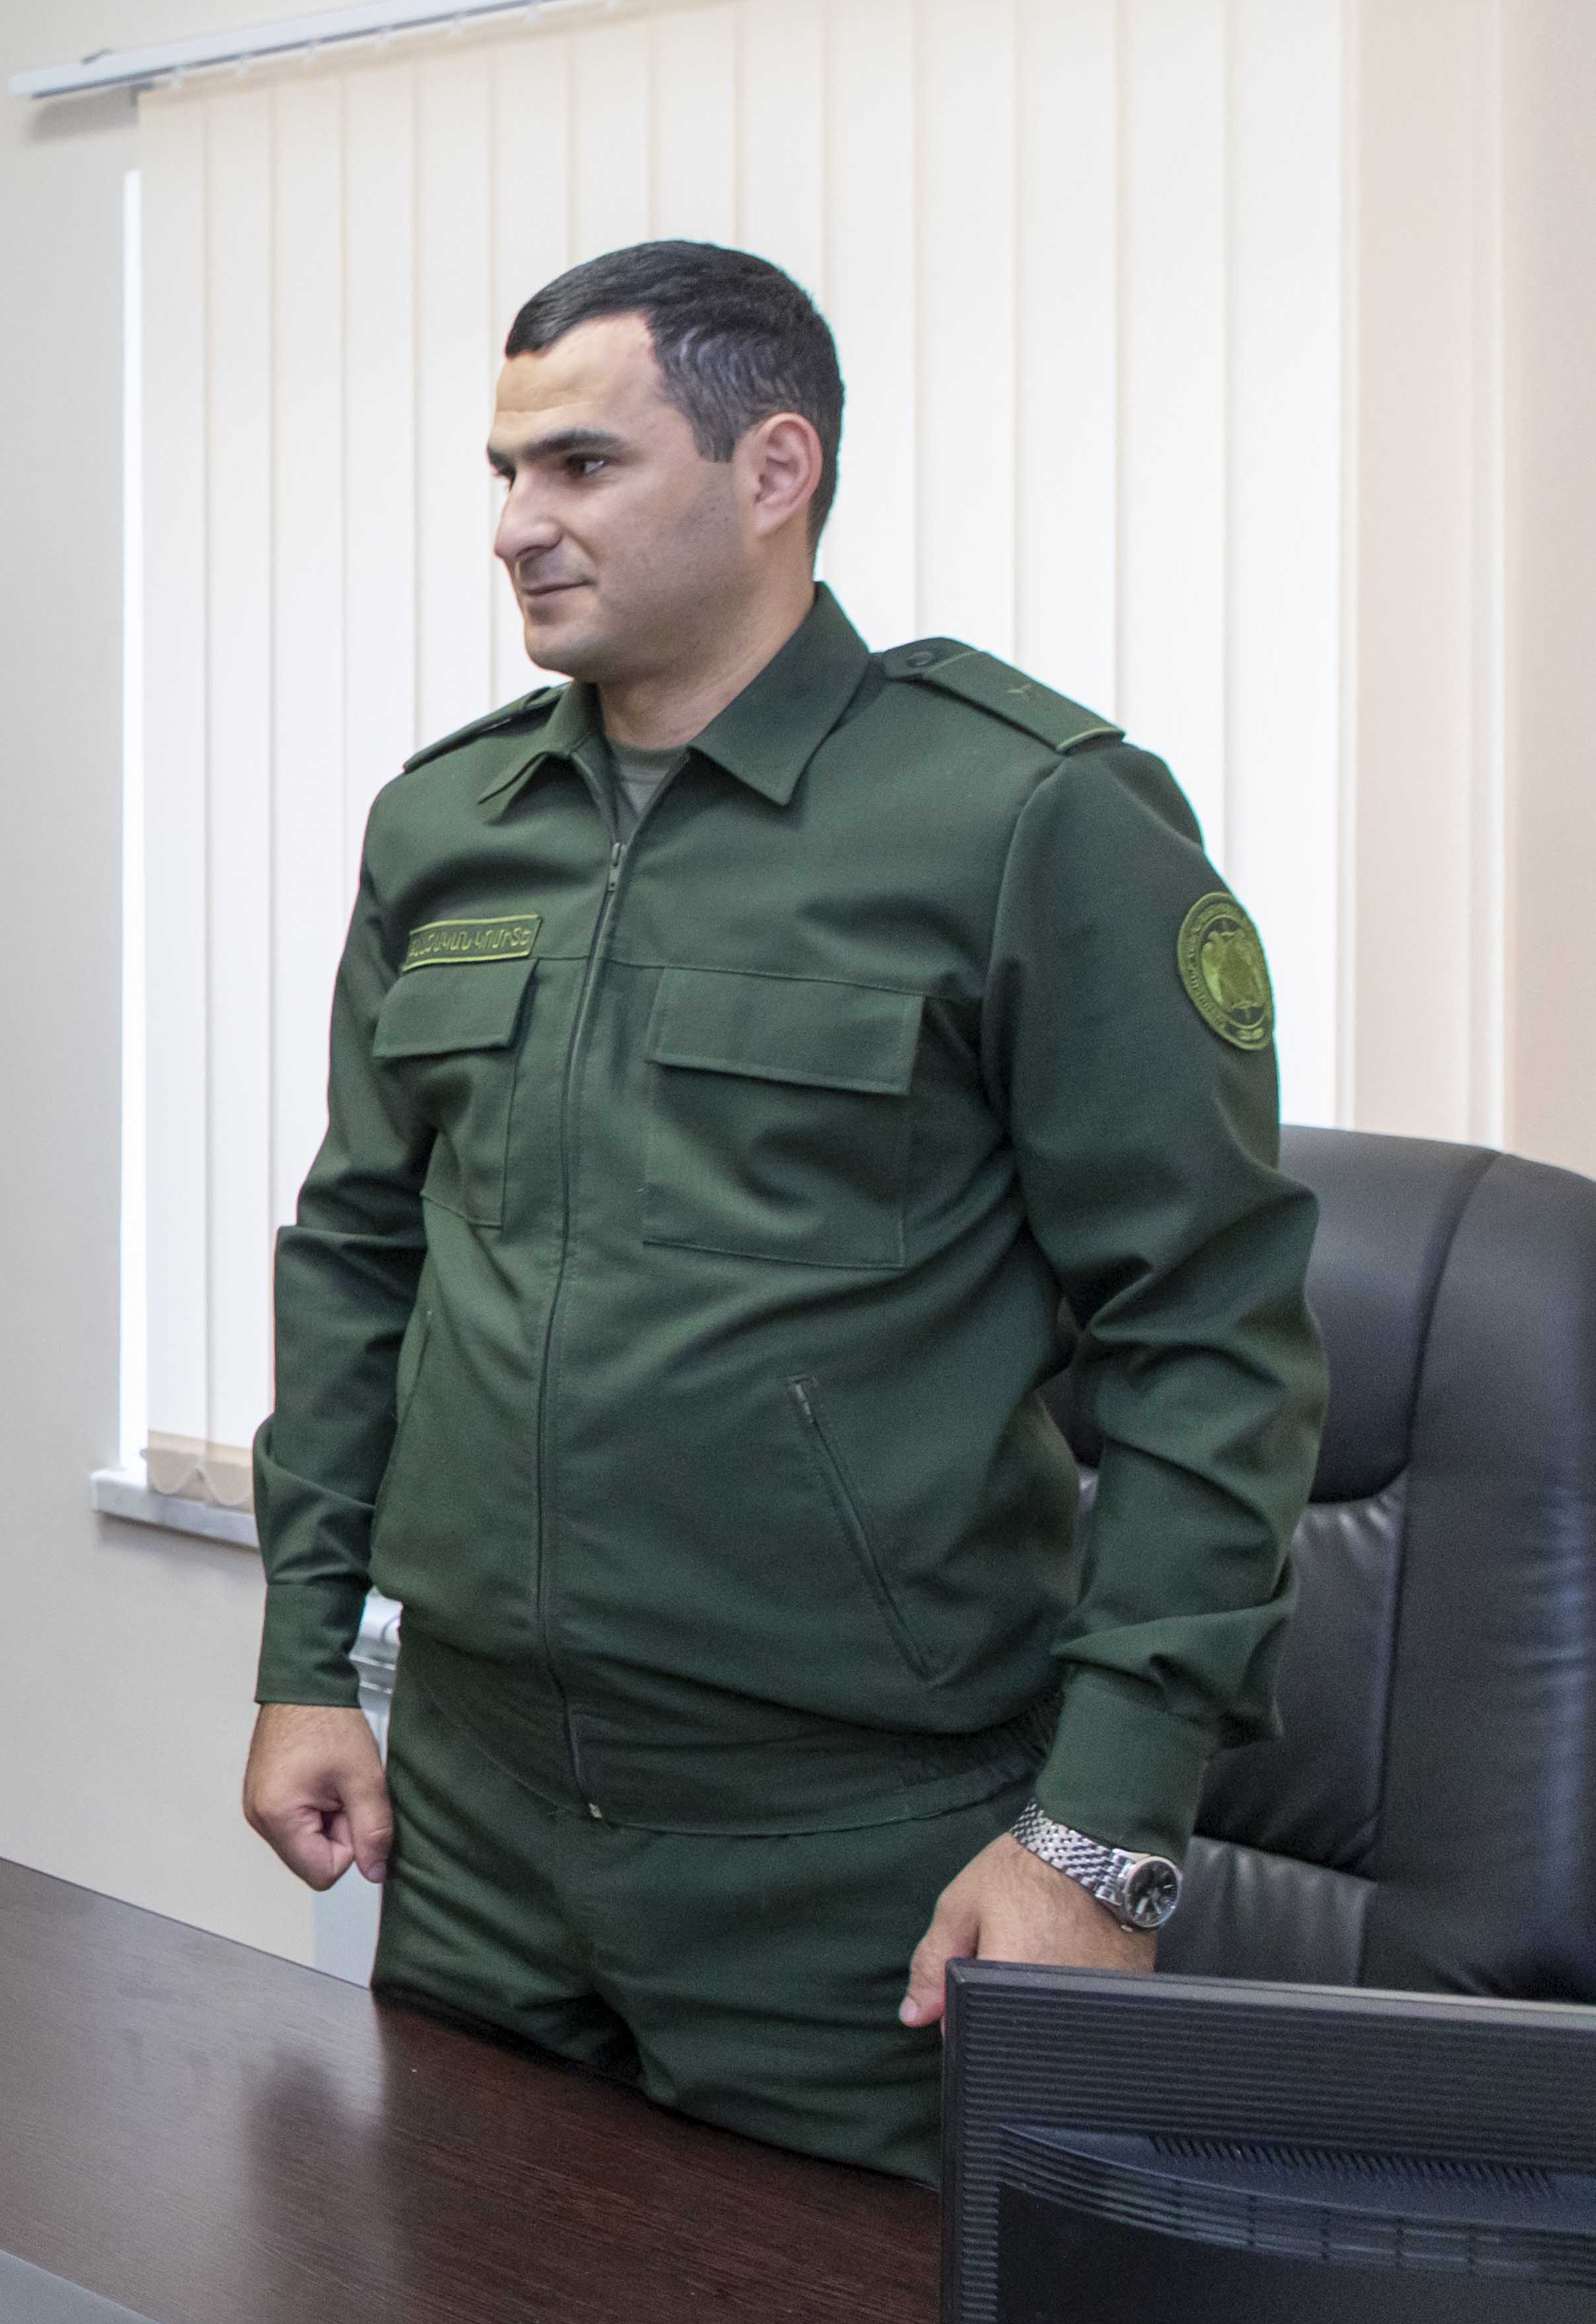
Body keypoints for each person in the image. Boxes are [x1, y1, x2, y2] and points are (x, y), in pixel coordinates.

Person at [242, 241, 1325, 2184]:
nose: (515, 525)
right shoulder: (449, 826)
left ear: (774, 470)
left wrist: (1102, 1837)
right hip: (477, 1823)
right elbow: (359, 1259)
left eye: (580, 465)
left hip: (853, 1856)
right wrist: (309, 1657)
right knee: (453, 2321)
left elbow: (1210, 1341)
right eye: (504, 471)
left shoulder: (1023, 817)